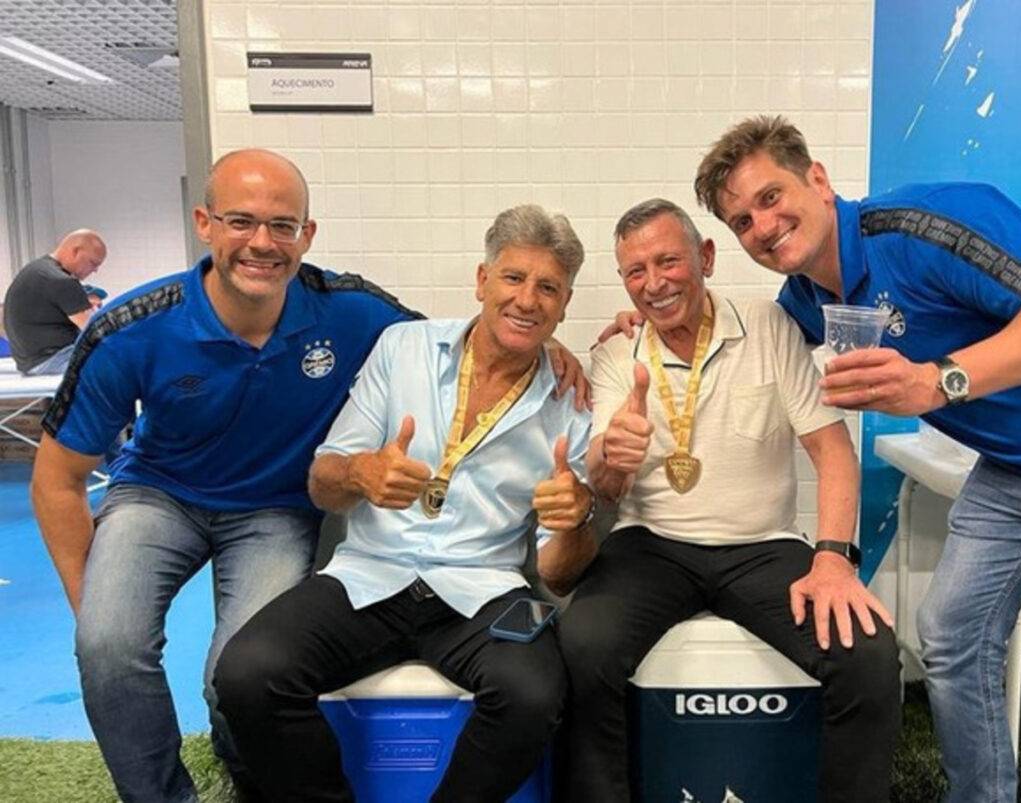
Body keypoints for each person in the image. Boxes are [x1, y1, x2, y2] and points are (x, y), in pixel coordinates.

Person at [30, 151, 587, 803]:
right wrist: (98, 613)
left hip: (298, 520)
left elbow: (492, 339)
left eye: (282, 225)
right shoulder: (135, 327)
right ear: (205, 223)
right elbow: (57, 477)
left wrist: (545, 350)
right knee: (133, 650)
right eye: (241, 221)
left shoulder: (359, 315)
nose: (262, 243)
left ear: (307, 235)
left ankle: (250, 782)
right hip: (179, 503)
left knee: (234, 675)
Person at [693, 115, 1021, 802]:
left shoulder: (928, 225)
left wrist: (938, 381)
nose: (763, 225)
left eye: (771, 196)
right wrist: (650, 321)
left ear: (818, 179)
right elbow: (744, 340)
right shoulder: (809, 301)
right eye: (742, 221)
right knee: (952, 632)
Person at [213, 204, 596, 803]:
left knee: (534, 695)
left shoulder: (573, 400)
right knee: (246, 675)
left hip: (482, 590)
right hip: (370, 575)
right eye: (514, 278)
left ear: (565, 304)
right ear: (482, 280)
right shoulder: (402, 348)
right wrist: (360, 473)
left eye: (548, 288)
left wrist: (575, 520)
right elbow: (322, 481)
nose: (527, 299)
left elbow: (559, 572)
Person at [561, 199, 900, 803]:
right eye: (636, 271)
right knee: (582, 646)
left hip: (762, 545)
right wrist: (613, 455)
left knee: (866, 655)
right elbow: (606, 488)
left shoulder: (769, 327)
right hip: (650, 545)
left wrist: (832, 559)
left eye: (668, 261)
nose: (654, 283)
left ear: (707, 257)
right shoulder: (617, 354)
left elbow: (833, 453)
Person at [4, 229, 106, 374]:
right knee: (122, 364)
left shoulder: (36, 270)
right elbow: (95, 331)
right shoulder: (63, 281)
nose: (95, 270)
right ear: (75, 251)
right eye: (93, 263)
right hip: (55, 359)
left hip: (29, 362)